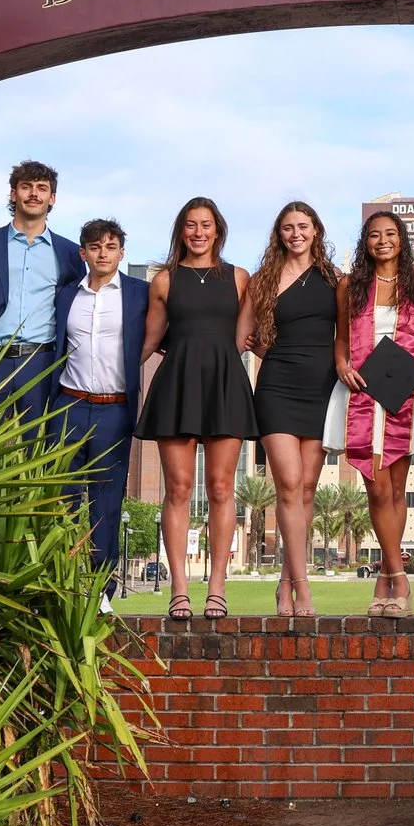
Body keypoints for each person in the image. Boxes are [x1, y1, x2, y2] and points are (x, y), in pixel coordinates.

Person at [136, 198, 257, 618]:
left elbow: (244, 339)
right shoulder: (164, 280)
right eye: (191, 225)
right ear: (181, 231)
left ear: (217, 230)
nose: (199, 232)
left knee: (222, 488)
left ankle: (218, 588)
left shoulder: (240, 278)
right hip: (177, 385)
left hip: (224, 384)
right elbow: (149, 342)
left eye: (206, 225)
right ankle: (179, 590)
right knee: (179, 489)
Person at [327, 209, 414, 619]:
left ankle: (385, 579)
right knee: (377, 488)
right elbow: (341, 337)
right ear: (365, 242)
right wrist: (341, 365)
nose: (382, 241)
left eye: (390, 234)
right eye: (374, 234)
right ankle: (398, 577)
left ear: (401, 240)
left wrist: (408, 376)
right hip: (361, 389)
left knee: (397, 488)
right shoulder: (350, 285)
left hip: (403, 390)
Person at [241, 202, 343, 618]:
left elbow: (349, 335)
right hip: (277, 388)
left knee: (306, 491)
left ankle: (286, 582)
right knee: (289, 483)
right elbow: (244, 337)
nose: (296, 233)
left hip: (322, 390)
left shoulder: (335, 280)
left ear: (316, 230)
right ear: (279, 234)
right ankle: (303, 587)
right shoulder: (263, 279)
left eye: (303, 226)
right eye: (288, 227)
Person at [52, 218, 149, 612]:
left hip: (115, 409)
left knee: (105, 503)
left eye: (110, 247)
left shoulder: (139, 294)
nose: (103, 254)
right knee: (62, 498)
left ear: (121, 253)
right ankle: (60, 584)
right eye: (95, 247)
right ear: (83, 253)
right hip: (67, 406)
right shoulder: (65, 296)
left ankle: (101, 593)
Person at [0, 160, 85, 427]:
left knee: (38, 447)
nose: (34, 193)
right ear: (14, 194)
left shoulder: (69, 253)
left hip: (42, 365)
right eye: (26, 187)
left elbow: (77, 312)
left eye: (42, 188)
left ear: (52, 198)